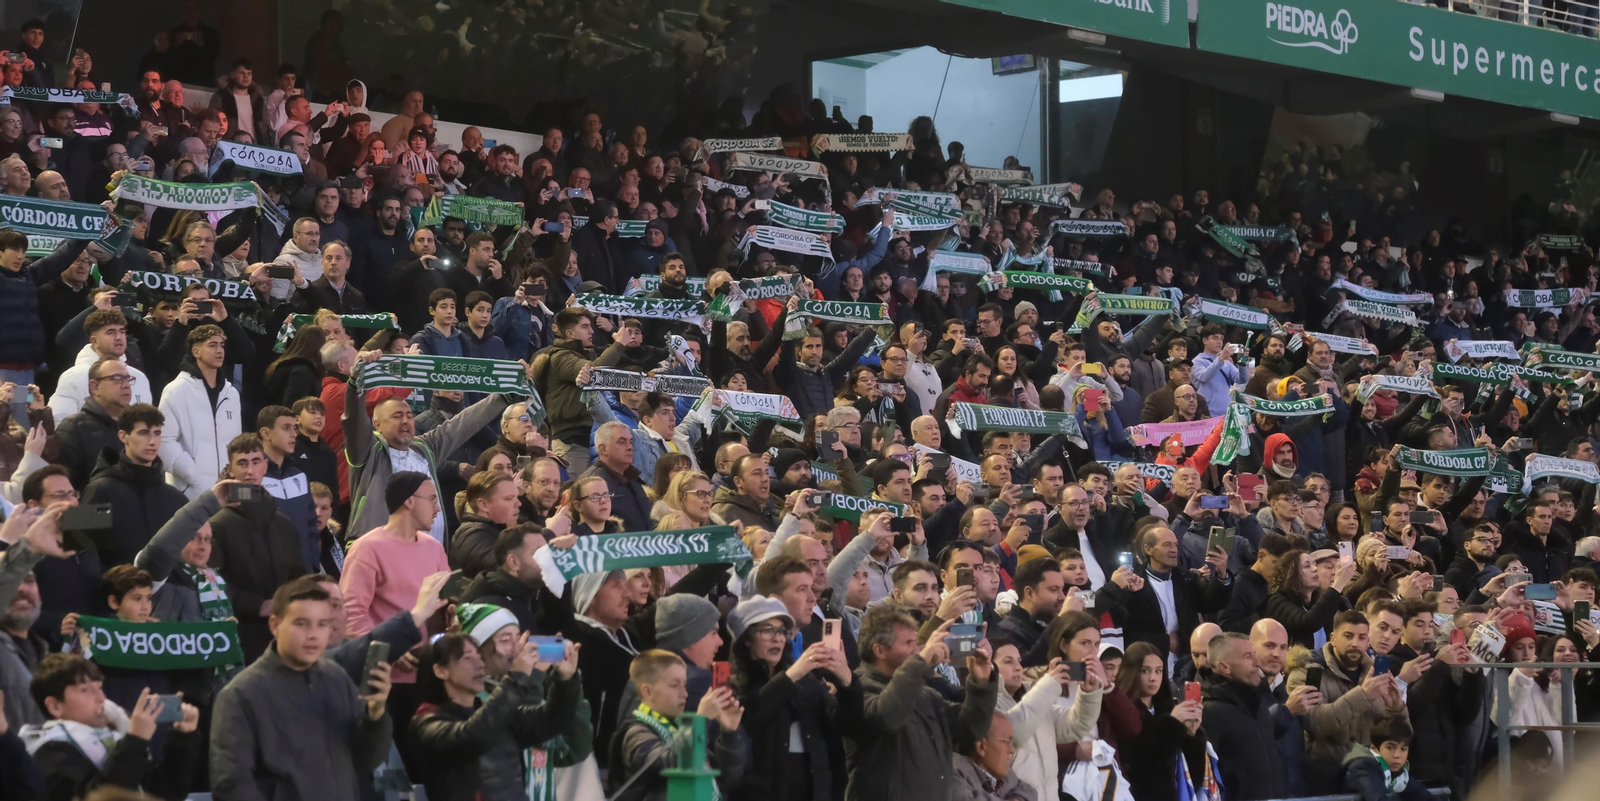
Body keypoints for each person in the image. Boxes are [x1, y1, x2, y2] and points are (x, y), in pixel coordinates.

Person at [210, 576, 395, 801]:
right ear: (275, 625)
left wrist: (375, 716)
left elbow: (366, 761)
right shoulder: (240, 694)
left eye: (322, 624)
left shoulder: (337, 678)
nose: (313, 635)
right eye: (301, 623)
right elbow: (232, 785)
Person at [342, 348, 512, 541]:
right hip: (381, 554)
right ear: (377, 424)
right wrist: (355, 383)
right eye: (397, 416)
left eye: (409, 416)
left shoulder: (425, 448)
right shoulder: (367, 450)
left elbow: (464, 423)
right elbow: (354, 420)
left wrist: (504, 395)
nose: (406, 421)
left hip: (432, 552)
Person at [408, 628, 585, 801]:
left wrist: (566, 680)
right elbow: (473, 738)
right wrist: (517, 678)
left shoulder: (496, 713)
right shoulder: (427, 722)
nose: (480, 664)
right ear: (440, 670)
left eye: (478, 655)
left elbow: (554, 720)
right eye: (468, 658)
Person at [845, 604, 997, 801]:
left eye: (915, 642)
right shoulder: (855, 690)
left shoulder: (926, 694)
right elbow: (886, 717)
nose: (916, 650)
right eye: (908, 643)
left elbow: (969, 733)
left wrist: (981, 682)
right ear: (880, 650)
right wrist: (921, 664)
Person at [19, 655, 202, 801]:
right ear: (55, 706)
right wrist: (136, 739)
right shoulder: (48, 751)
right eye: (85, 690)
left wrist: (182, 738)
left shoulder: (112, 738)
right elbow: (100, 796)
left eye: (99, 687)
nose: (101, 698)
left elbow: (165, 792)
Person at [208, 433, 307, 660]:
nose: (249, 471)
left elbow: (298, 575)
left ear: (265, 466)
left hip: (284, 632)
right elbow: (211, 581)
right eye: (242, 463)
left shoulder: (284, 524)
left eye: (255, 462)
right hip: (239, 634)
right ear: (230, 469)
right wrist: (258, 606)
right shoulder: (217, 524)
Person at [608, 649, 749, 801]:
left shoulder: (677, 730)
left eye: (685, 684)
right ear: (648, 692)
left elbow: (727, 779)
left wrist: (729, 734)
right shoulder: (636, 733)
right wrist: (701, 719)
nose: (685, 693)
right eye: (675, 685)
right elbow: (671, 765)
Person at [158, 324, 243, 498]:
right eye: (212, 345)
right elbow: (164, 441)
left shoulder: (231, 393)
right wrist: (194, 475)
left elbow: (236, 442)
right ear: (196, 352)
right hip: (187, 491)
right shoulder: (176, 390)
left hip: (227, 490)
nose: (219, 350)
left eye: (221, 345)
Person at [1201, 632, 1285, 801]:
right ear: (1224, 667)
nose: (1257, 662)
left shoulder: (1258, 704)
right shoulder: (1210, 712)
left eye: (1254, 655)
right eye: (1248, 657)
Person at [1340, 716, 1436, 801]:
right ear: (1374, 748)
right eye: (1390, 748)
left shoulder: (1396, 772)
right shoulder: (1362, 766)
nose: (1397, 755)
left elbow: (1421, 794)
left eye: (1403, 749)